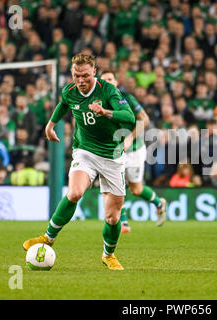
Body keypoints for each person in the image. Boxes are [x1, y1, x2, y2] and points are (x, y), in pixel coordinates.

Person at [23, 53, 135, 271]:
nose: (81, 80)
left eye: (85, 75)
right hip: (84, 151)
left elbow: (129, 117)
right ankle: (48, 237)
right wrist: (50, 125)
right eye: (76, 75)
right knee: (74, 192)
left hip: (112, 156)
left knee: (113, 217)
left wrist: (106, 112)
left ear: (94, 71)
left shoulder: (108, 90)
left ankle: (108, 255)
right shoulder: (70, 91)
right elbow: (64, 104)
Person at [100, 71, 167, 233]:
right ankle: (123, 222)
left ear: (116, 81)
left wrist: (129, 138)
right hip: (113, 151)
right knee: (116, 186)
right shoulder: (97, 102)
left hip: (134, 149)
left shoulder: (126, 98)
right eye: (104, 80)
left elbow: (144, 119)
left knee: (136, 189)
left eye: (110, 79)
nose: (108, 82)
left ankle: (159, 203)